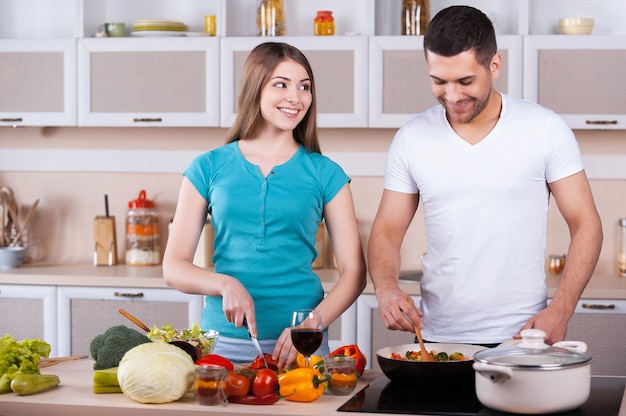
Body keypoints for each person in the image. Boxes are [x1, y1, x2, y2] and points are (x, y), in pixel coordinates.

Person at [367, 6, 602, 347]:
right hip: (436, 338)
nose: (452, 95)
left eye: (465, 81)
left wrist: (562, 308)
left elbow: (586, 223)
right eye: (439, 81)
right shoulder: (411, 138)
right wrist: (386, 287)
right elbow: (386, 230)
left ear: (495, 65)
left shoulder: (544, 129)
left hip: (523, 339)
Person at [163, 42, 366, 366]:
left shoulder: (326, 173)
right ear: (255, 88)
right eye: (281, 84)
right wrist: (224, 283)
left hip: (302, 346)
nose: (295, 97)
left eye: (304, 87)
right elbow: (173, 267)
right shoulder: (207, 167)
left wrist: (311, 325)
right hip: (223, 344)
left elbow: (354, 273)